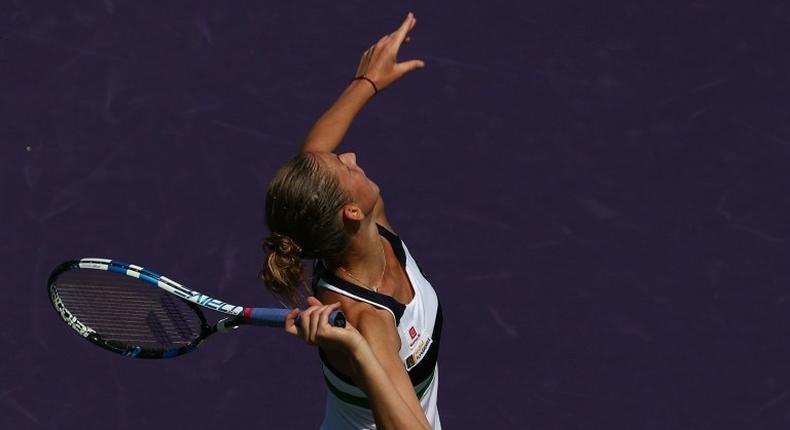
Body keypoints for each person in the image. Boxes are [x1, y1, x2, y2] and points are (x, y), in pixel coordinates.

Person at [259, 12, 442, 430]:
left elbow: (314, 152)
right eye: (346, 168)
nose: (351, 156)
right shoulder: (368, 323)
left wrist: (367, 82)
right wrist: (358, 352)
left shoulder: (366, 224)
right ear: (350, 211)